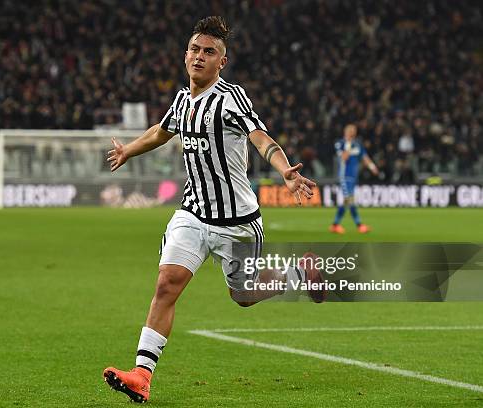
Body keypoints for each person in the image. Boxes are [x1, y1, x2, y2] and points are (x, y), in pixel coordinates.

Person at [103, 16, 323, 403]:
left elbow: (260, 137)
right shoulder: (182, 101)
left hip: (236, 222)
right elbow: (161, 131)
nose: (199, 57)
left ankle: (298, 272)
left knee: (244, 295)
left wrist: (284, 169)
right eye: (194, 49)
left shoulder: (230, 98)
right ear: (185, 55)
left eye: (209, 52)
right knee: (167, 282)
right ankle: (142, 373)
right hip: (192, 212)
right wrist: (128, 150)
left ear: (222, 61)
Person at [330, 124, 379, 234]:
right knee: (350, 200)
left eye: (354, 130)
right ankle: (359, 225)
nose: (353, 132)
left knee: (346, 201)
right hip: (344, 176)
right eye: (350, 131)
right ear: (345, 132)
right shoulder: (340, 143)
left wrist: (373, 167)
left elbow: (364, 157)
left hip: (353, 177)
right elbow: (343, 157)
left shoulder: (358, 144)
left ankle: (335, 225)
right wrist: (348, 143)